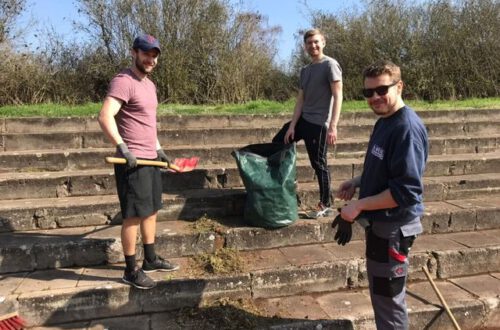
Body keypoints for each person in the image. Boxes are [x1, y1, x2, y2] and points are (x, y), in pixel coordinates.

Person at [333, 60, 428, 329]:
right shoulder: (385, 121)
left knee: (389, 301)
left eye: (381, 90)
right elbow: (384, 170)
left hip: (394, 228)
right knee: (382, 295)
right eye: (368, 93)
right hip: (381, 227)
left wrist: (358, 205)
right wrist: (356, 181)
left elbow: (405, 192)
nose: (374, 97)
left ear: (399, 86)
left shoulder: (405, 129)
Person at [98, 34, 179, 290]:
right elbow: (105, 116)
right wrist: (122, 148)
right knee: (133, 216)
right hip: (132, 161)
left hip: (150, 159)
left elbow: (147, 124)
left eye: (154, 55)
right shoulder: (124, 81)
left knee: (151, 210)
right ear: (134, 52)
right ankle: (130, 270)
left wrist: (159, 149)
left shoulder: (150, 85)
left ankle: (151, 259)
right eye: (146, 53)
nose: (151, 59)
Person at [272, 28, 343, 218]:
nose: (313, 46)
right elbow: (300, 100)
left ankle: (326, 203)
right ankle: (287, 183)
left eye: (316, 42)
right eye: (309, 43)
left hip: (319, 123)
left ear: (323, 42)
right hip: (303, 119)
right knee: (278, 142)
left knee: (319, 163)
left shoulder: (330, 65)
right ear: (305, 47)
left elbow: (338, 95)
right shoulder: (305, 70)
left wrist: (333, 126)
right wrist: (293, 126)